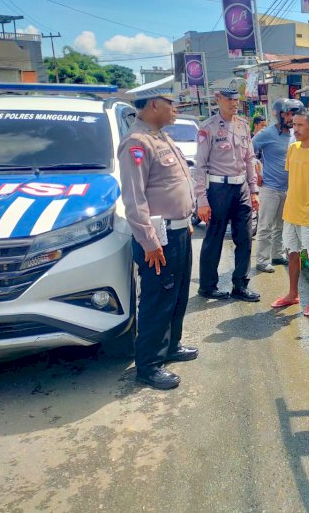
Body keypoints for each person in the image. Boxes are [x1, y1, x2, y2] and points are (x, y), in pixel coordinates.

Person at [118, 75, 199, 390]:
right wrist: (150, 243)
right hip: (158, 238)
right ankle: (148, 366)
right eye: (171, 103)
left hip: (177, 231)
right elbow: (135, 200)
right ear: (154, 105)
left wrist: (186, 218)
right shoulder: (137, 143)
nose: (176, 109)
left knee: (177, 294)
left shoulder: (161, 136)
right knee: (157, 299)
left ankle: (171, 346)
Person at [194, 78, 260, 302]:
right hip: (218, 189)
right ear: (218, 99)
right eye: (229, 99)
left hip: (241, 187)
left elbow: (249, 159)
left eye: (236, 99)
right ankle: (207, 286)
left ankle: (240, 285)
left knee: (245, 238)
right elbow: (200, 166)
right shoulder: (208, 128)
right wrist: (201, 200)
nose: (234, 103)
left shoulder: (242, 125)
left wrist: (253, 191)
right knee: (214, 237)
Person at [271, 109, 309, 317]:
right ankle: (292, 294)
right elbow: (294, 179)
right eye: (294, 124)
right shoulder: (293, 149)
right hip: (291, 212)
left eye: (300, 125)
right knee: (292, 254)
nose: (294, 129)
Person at [253, 98, 304, 273]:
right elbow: (248, 153)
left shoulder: (294, 134)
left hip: (288, 188)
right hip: (270, 187)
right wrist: (256, 171)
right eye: (288, 114)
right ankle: (261, 260)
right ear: (280, 115)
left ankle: (276, 254)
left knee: (281, 225)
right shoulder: (266, 134)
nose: (291, 118)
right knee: (265, 225)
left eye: (294, 114)